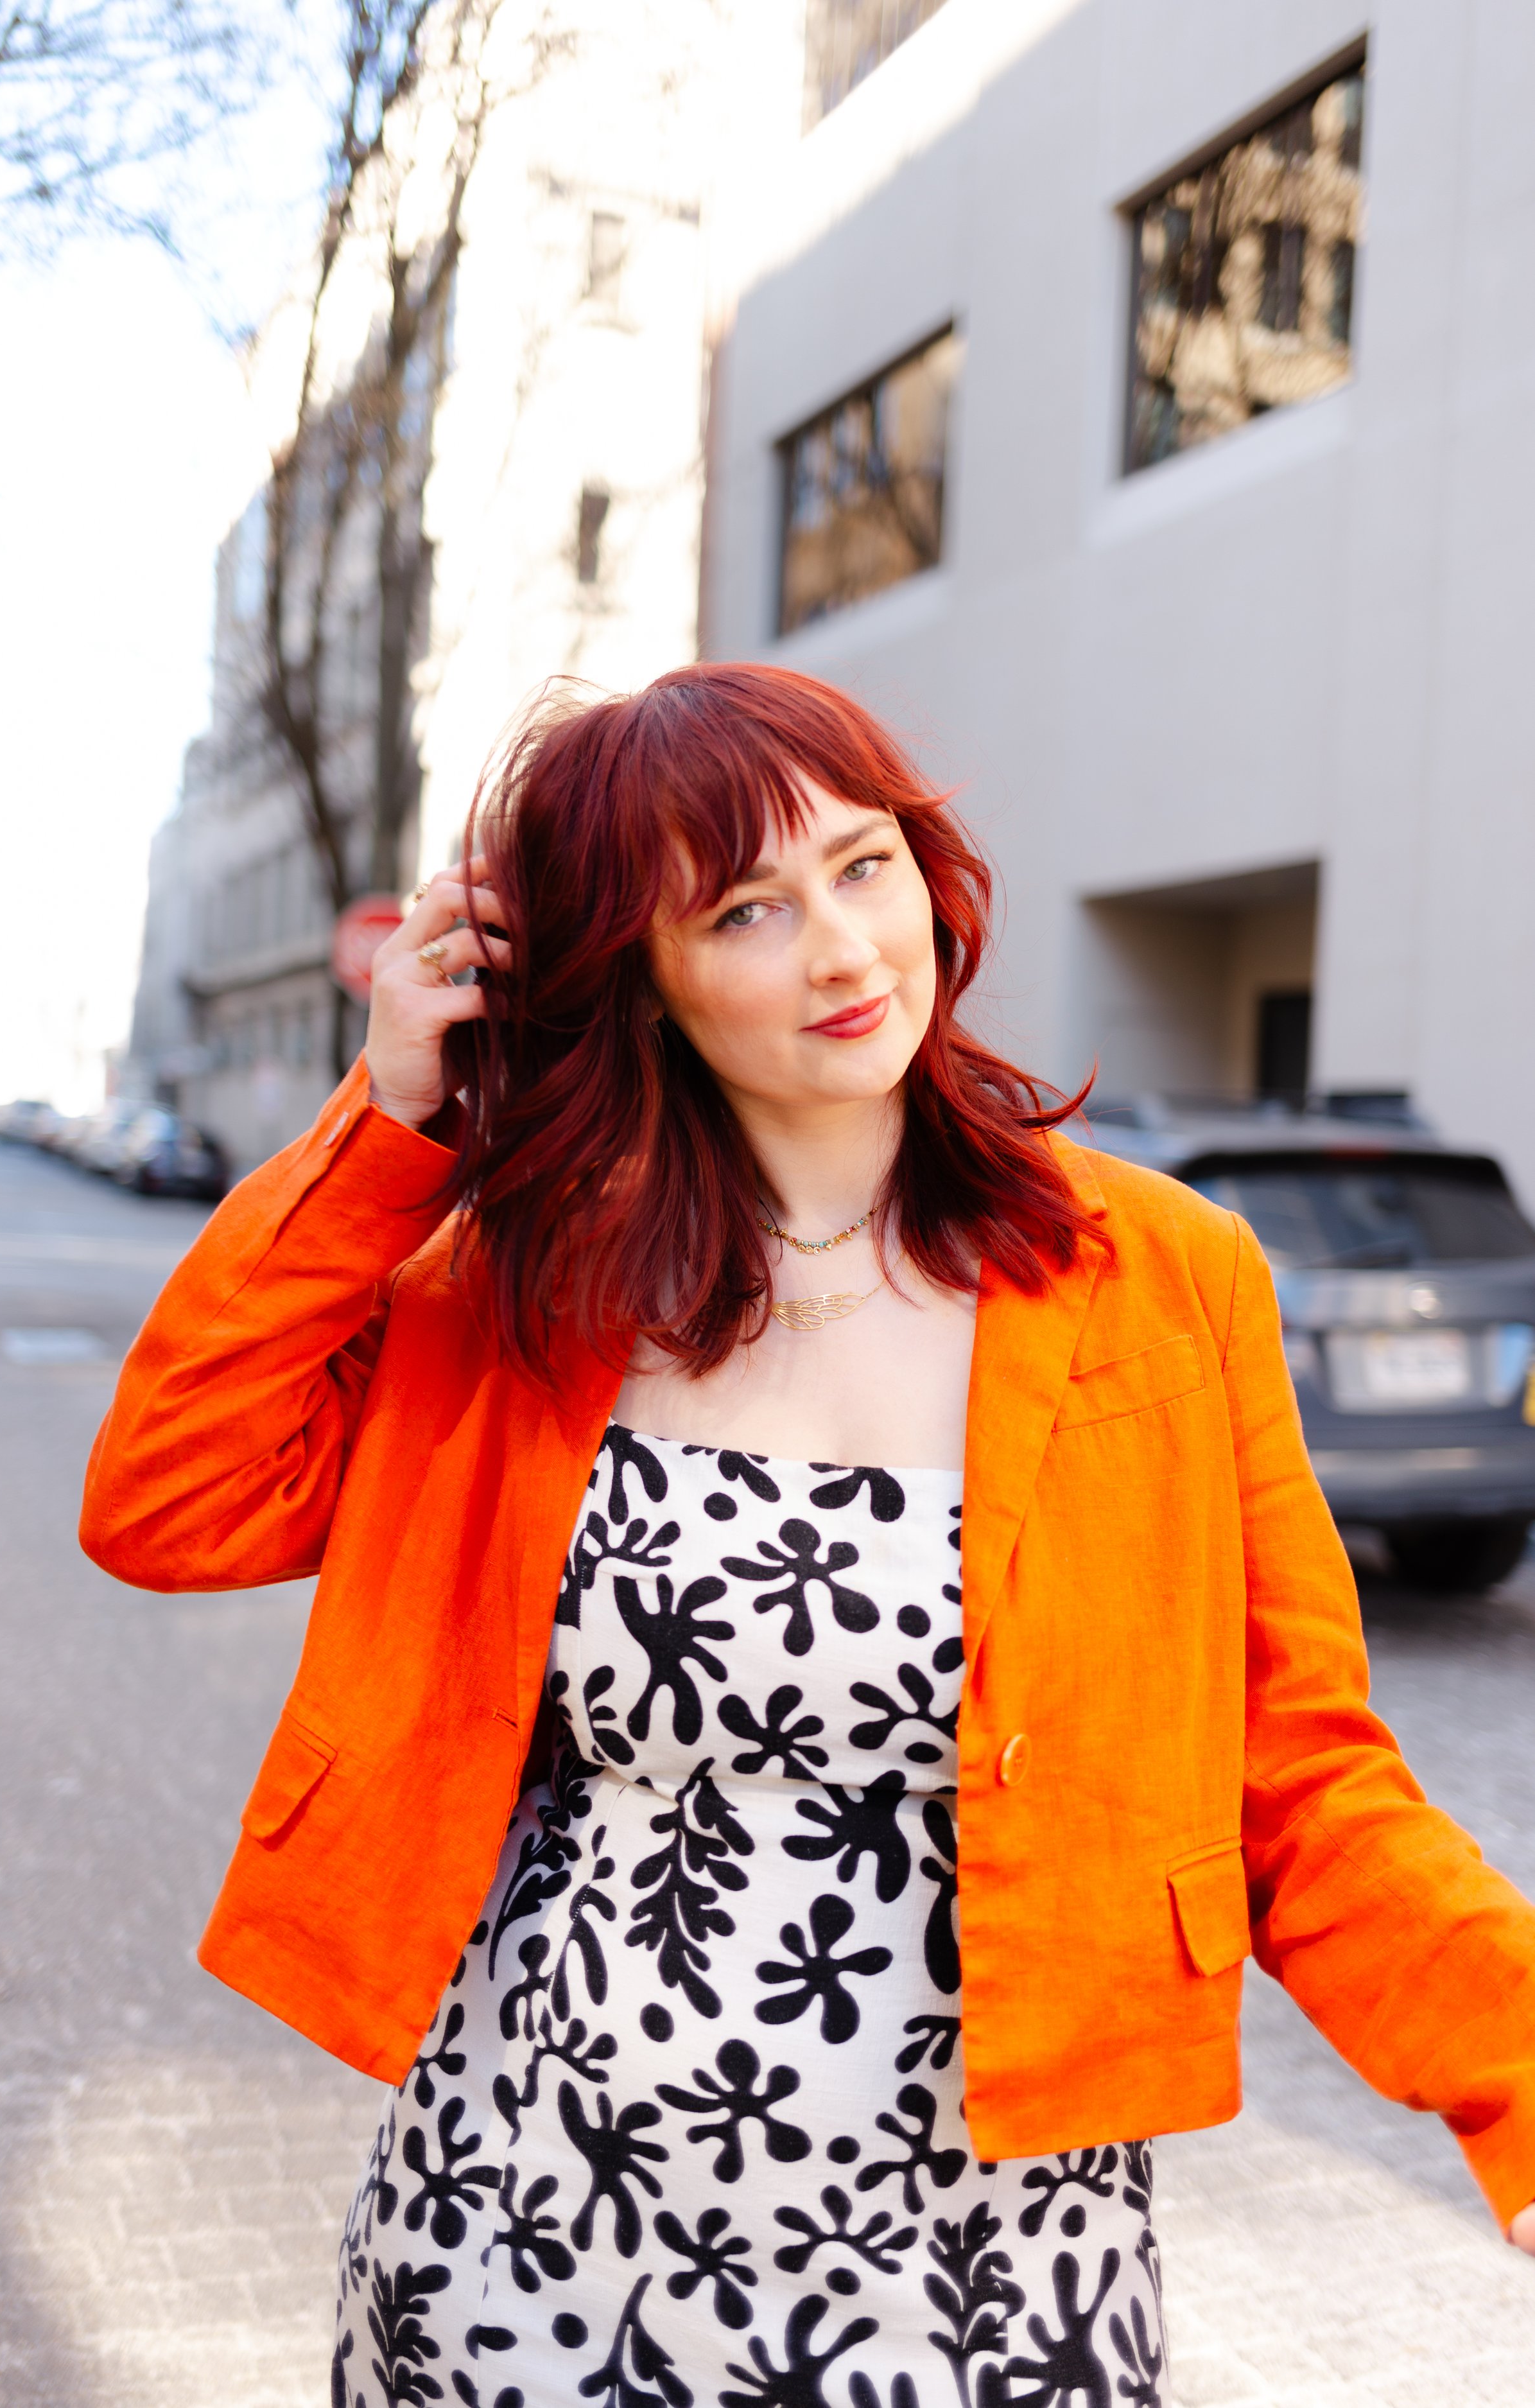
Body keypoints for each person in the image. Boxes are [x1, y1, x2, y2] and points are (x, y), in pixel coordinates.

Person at [81, 663, 1535, 2407]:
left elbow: (1302, 1780)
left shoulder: (1157, 1280)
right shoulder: (518, 1284)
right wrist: (385, 1121)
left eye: (863, 866)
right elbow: (168, 1497)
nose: (846, 951)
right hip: (533, 2214)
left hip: (991, 2259)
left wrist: (1512, 2070)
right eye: (747, 910)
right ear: (640, 976)